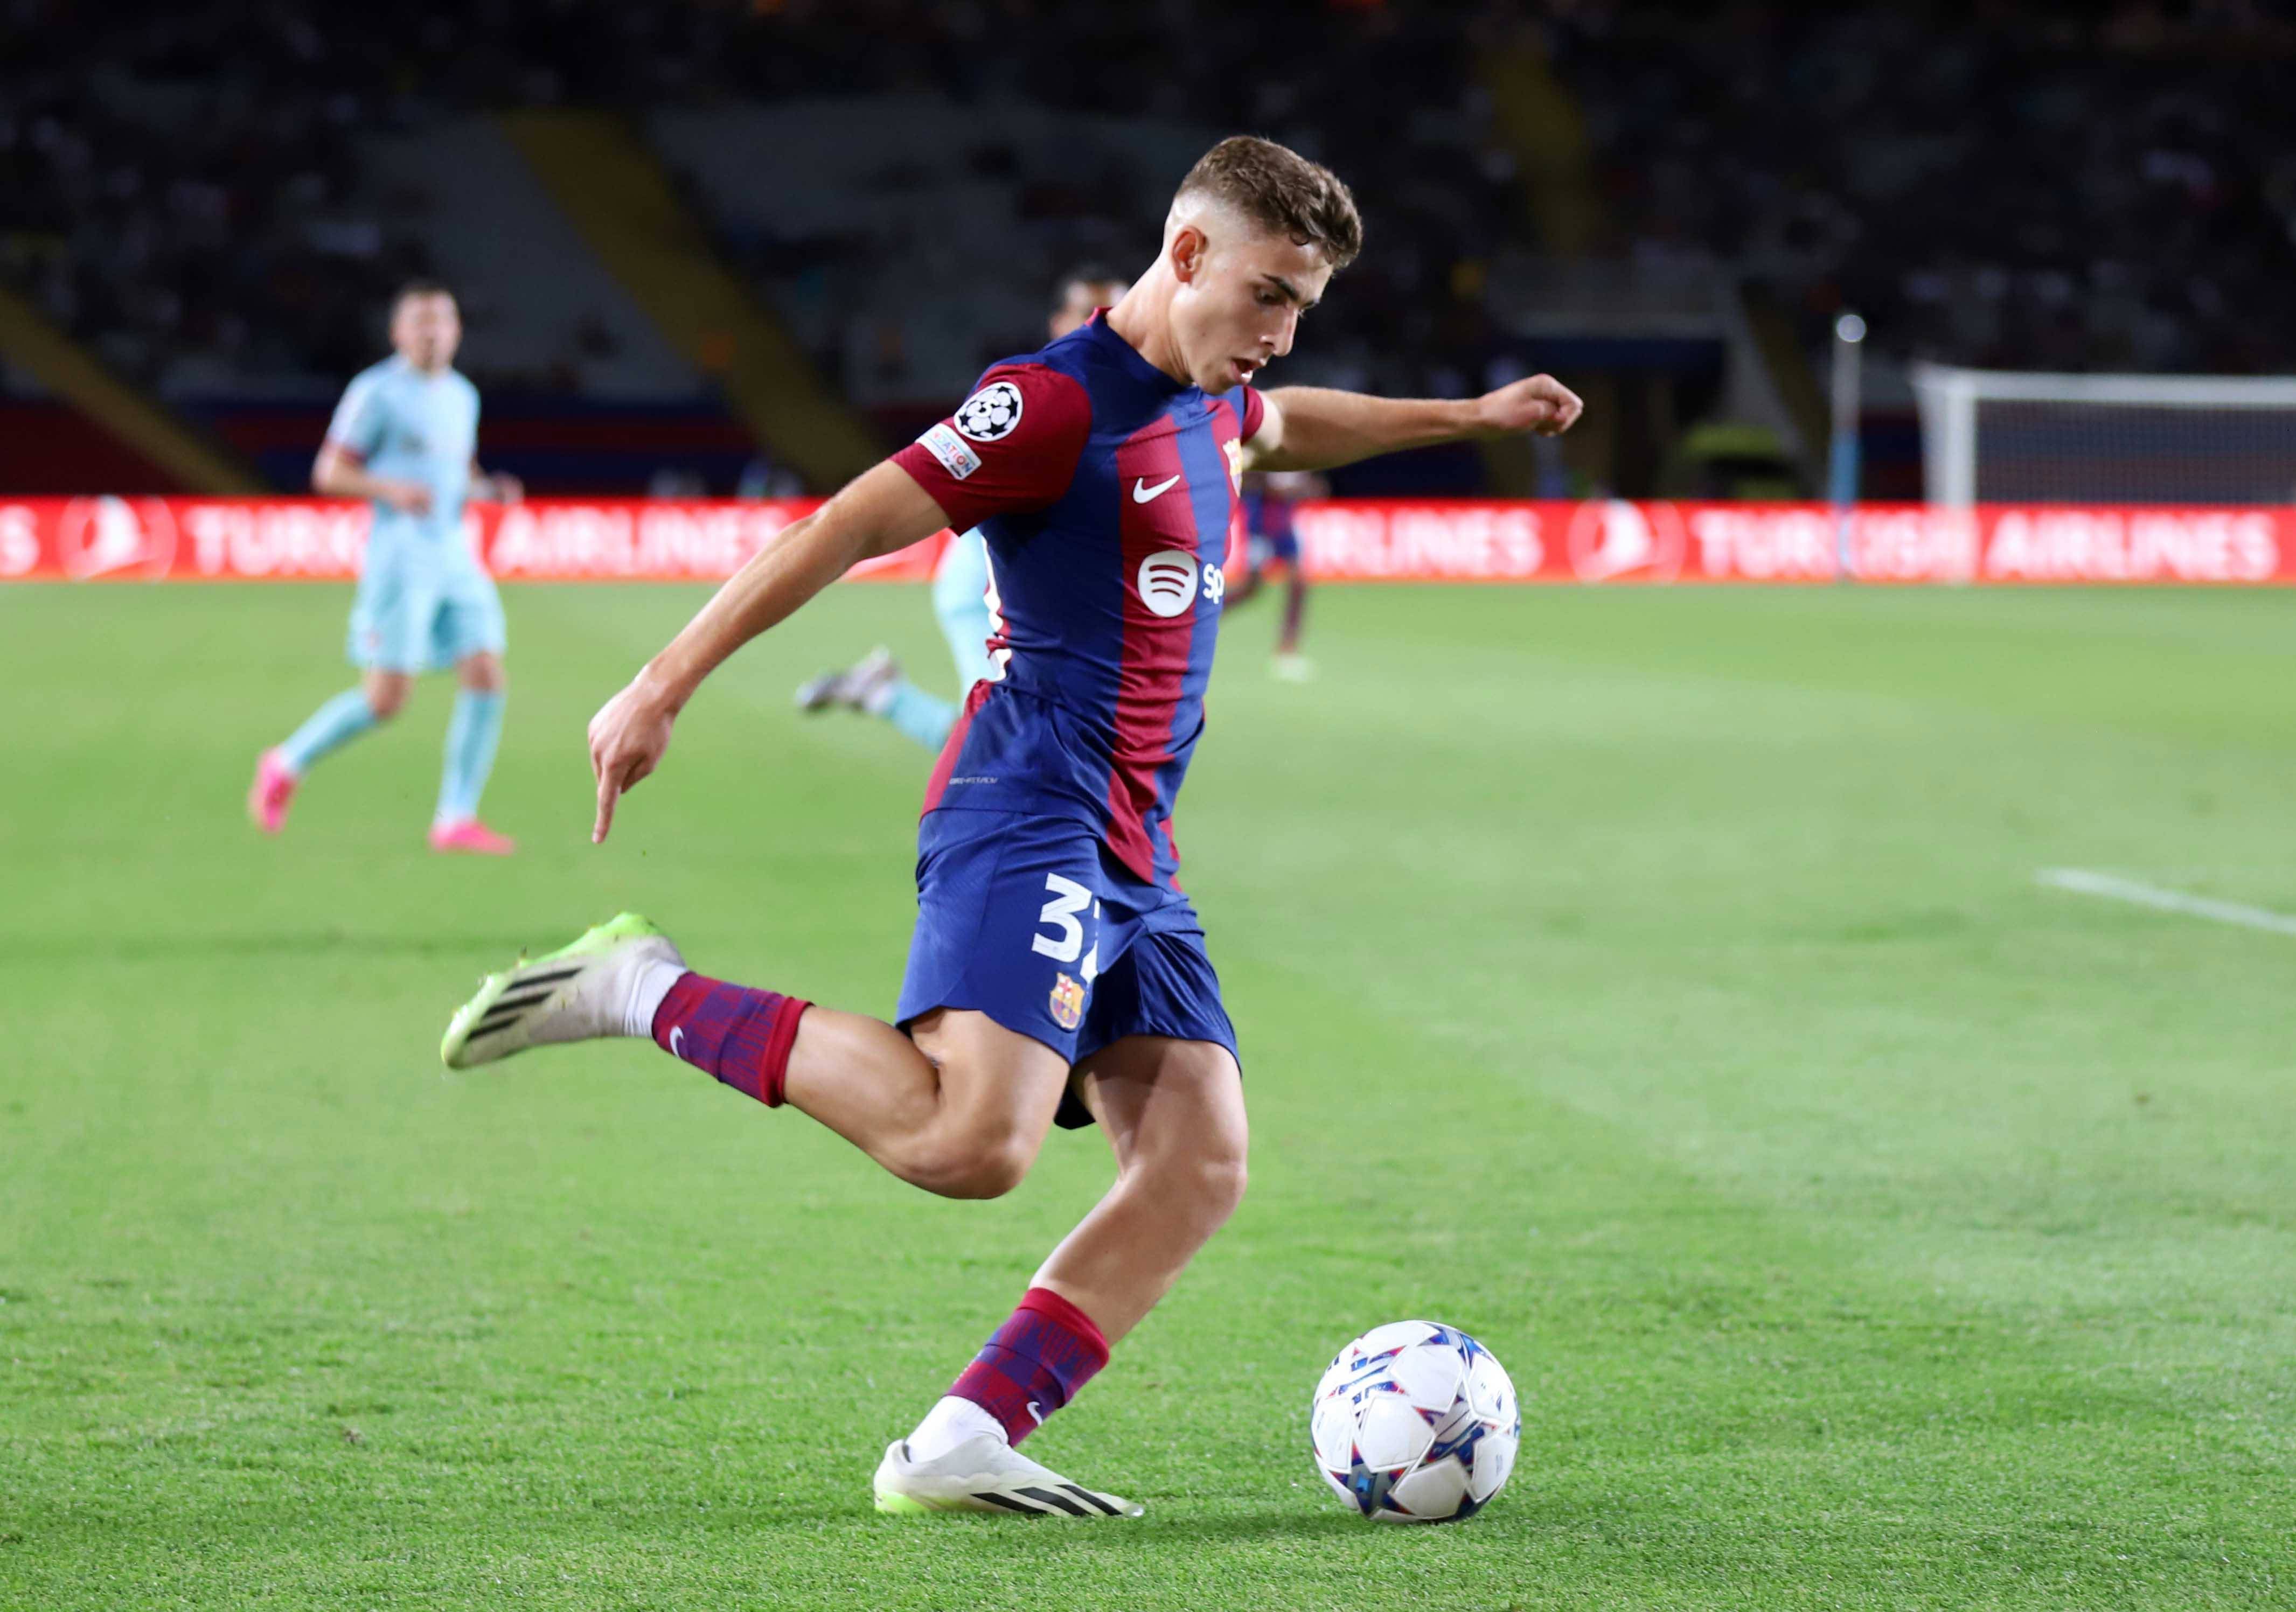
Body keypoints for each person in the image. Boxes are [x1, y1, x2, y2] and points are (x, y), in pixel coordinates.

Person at [439, 137, 1580, 1517]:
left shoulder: (1221, 400)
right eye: (1268, 294)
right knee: (971, 1146)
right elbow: (847, 523)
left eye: (1303, 308)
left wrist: (1467, 416)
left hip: (1134, 844)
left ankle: (959, 1439)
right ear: (1188, 254)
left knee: (1198, 1160)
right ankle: (643, 986)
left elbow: (1293, 429)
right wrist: (659, 682)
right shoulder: (1050, 406)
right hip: (1028, 801)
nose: (1278, 335)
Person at [797, 265, 1132, 751]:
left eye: (1115, 316)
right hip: (989, 591)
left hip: (1033, 596)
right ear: (1059, 322)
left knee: (1004, 741)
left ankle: (881, 693)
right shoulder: (1037, 397)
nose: (1102, 328)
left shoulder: (1114, 397)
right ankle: (883, 696)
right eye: (1089, 314)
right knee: (997, 744)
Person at [247, 282, 523, 853]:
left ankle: (455, 817)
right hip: (401, 557)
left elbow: (456, 471)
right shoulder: (375, 393)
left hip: (455, 551)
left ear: (457, 331)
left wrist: (488, 488)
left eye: (442, 321)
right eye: (420, 321)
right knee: (386, 698)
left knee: (487, 674)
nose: (432, 331)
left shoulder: (462, 395)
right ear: (399, 333)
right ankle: (285, 761)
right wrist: (388, 488)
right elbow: (329, 472)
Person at [1227, 467, 1324, 679]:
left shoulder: (1300, 453)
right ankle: (1204, 618)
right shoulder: (1270, 450)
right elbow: (1249, 478)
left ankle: (1287, 651)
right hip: (1260, 524)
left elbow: (1314, 486)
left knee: (1299, 584)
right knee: (1250, 590)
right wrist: (1276, 488)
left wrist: (1303, 489)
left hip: (1284, 525)